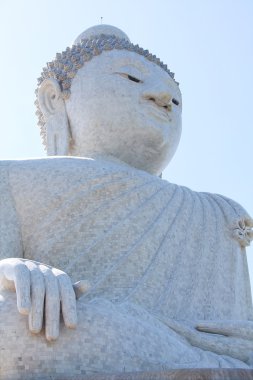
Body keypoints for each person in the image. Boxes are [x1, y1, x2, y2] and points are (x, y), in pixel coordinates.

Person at [0, 25, 253, 378]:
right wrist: (11, 270)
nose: (163, 99)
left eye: (176, 100)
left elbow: (233, 326)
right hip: (83, 328)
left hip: (195, 352)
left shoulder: (220, 211)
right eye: (132, 78)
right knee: (11, 320)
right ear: (53, 99)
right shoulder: (10, 177)